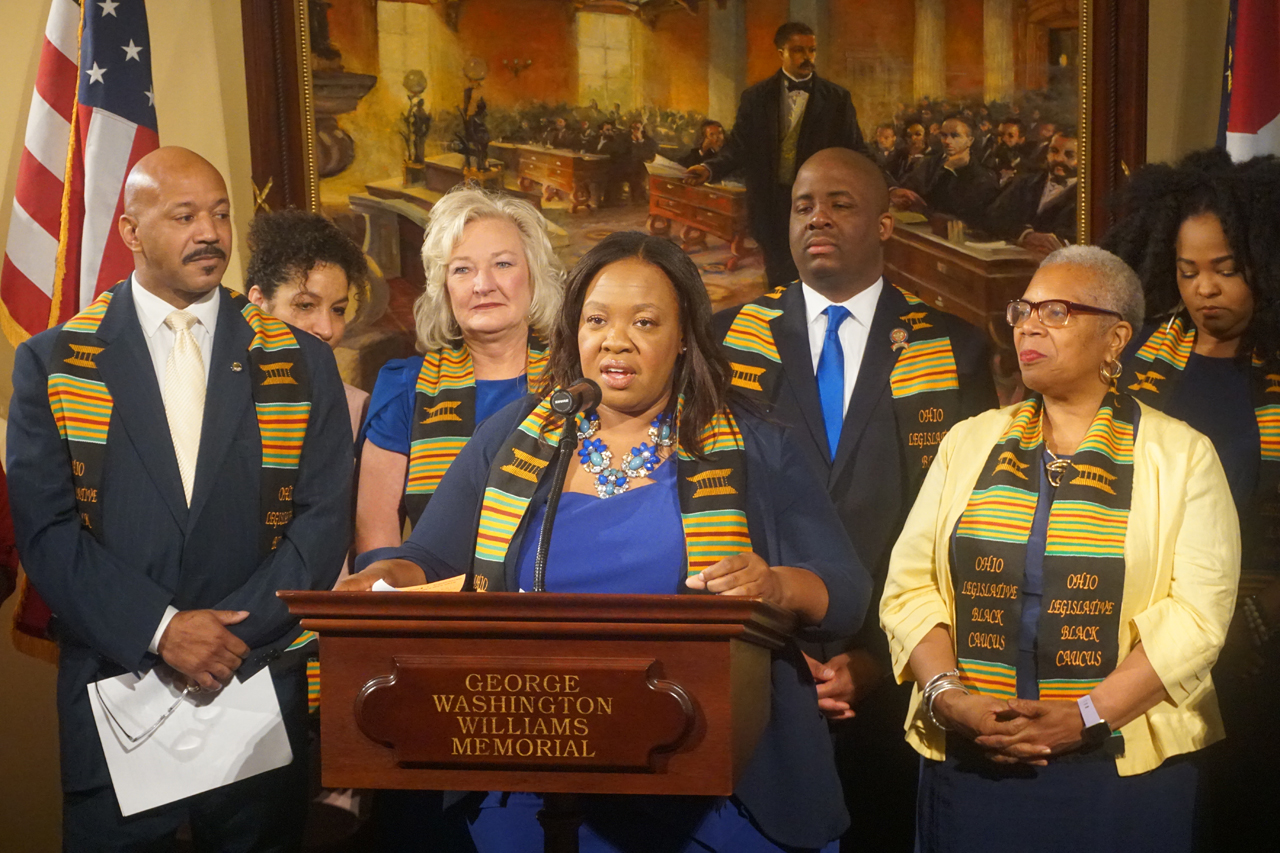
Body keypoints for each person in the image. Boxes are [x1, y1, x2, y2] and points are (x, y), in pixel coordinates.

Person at [343, 231, 871, 852]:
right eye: (596, 319)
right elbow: (432, 558)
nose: (615, 340)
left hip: (717, 777)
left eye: (644, 322)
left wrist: (774, 585)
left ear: (683, 339)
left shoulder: (757, 442)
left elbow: (845, 589)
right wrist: (391, 577)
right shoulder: (514, 436)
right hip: (535, 769)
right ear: (574, 333)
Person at [5, 147, 352, 850]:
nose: (211, 233)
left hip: (253, 693)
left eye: (221, 214)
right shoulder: (53, 362)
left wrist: (233, 634)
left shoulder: (301, 360)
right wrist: (163, 629)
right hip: (116, 693)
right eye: (185, 215)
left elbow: (322, 517)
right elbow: (47, 533)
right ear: (131, 231)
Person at [880, 245, 1239, 853]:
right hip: (973, 755)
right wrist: (950, 698)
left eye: (1057, 310)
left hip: (1120, 764)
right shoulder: (968, 443)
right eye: (1024, 309)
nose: (1029, 324)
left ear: (1115, 337)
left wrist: (1085, 715)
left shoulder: (1183, 456)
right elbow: (910, 587)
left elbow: (1197, 615)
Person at [714, 148, 996, 852]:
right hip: (756, 663)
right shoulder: (728, 339)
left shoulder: (951, 345)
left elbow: (967, 524)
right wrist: (773, 648)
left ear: (886, 223)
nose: (818, 217)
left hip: (897, 665)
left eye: (840, 203)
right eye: (804, 204)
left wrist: (875, 656)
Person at [1103, 149, 1280, 850]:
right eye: (1188, 270)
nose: (1206, 288)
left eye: (1226, 267)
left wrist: (1261, 612)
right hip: (1147, 642)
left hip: (1262, 646)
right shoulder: (1138, 364)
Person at [355, 187, 564, 555]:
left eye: (503, 264)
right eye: (463, 269)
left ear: (534, 276)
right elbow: (377, 538)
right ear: (444, 288)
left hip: (552, 598)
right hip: (437, 602)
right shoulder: (405, 386)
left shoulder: (575, 384)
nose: (483, 285)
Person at [684, 21, 867, 287]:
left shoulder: (837, 99)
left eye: (812, 50)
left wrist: (889, 185)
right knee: (779, 274)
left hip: (818, 203)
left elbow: (855, 149)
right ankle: (783, 322)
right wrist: (709, 169)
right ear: (780, 52)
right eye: (798, 50)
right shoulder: (755, 97)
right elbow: (738, 147)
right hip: (771, 201)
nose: (807, 57)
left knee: (816, 271)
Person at [245, 208, 370, 439]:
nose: (326, 329)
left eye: (338, 310)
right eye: (305, 305)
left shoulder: (358, 410)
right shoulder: (221, 400)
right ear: (258, 302)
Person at [983, 127, 1079, 255]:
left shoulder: (1090, 195)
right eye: (1054, 151)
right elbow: (992, 216)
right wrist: (1025, 235)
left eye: (1069, 155)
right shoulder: (1026, 182)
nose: (1059, 158)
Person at [892, 115, 1000, 226]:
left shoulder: (982, 176)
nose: (947, 141)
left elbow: (963, 215)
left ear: (970, 141)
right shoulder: (930, 163)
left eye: (955, 136)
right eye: (943, 135)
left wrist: (948, 170)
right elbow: (908, 186)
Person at [982, 118, 1035, 185]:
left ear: (1021, 139)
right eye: (1001, 134)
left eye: (1011, 136)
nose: (1004, 138)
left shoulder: (1023, 168)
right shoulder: (987, 155)